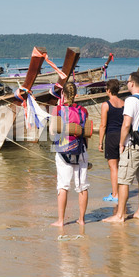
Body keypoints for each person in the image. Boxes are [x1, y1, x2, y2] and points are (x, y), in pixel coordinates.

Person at [103, 72, 139, 222]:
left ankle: (119, 216)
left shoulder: (131, 100)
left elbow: (126, 124)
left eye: (128, 81)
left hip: (133, 145)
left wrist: (121, 143)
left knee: (123, 180)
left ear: (132, 83)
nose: (127, 83)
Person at [50, 82, 90, 227]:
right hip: (81, 149)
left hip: (63, 150)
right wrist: (86, 151)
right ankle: (82, 219)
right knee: (82, 186)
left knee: (63, 185)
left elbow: (52, 132)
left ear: (63, 95)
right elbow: (85, 133)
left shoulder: (58, 109)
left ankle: (61, 221)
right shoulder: (83, 111)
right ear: (75, 94)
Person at [99, 79, 124, 202]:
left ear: (108, 90)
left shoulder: (106, 105)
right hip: (123, 137)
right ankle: (121, 192)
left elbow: (103, 125)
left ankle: (115, 194)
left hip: (111, 136)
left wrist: (100, 142)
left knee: (113, 167)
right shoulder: (123, 103)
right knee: (120, 166)